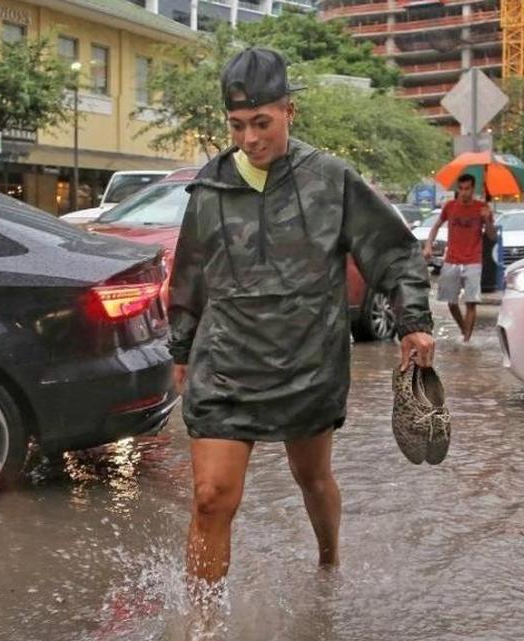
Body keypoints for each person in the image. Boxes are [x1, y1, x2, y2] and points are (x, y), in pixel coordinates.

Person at [167, 47, 436, 588]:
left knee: (310, 477)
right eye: (238, 125)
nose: (249, 139)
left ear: (289, 111)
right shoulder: (210, 187)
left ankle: (329, 563)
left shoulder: (331, 179)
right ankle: (202, 626)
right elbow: (191, 271)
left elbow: (394, 251)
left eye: (262, 122)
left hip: (308, 359)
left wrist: (413, 321)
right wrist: (180, 347)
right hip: (226, 363)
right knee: (210, 498)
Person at [421, 174, 495, 342]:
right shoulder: (450, 207)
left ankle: (466, 342)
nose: (464, 192)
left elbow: (492, 236)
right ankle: (464, 330)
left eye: (467, 189)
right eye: (460, 189)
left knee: (471, 302)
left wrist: (487, 220)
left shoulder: (482, 208)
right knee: (450, 302)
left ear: (473, 189)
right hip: (452, 260)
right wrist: (428, 245)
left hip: (473, 261)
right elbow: (436, 226)